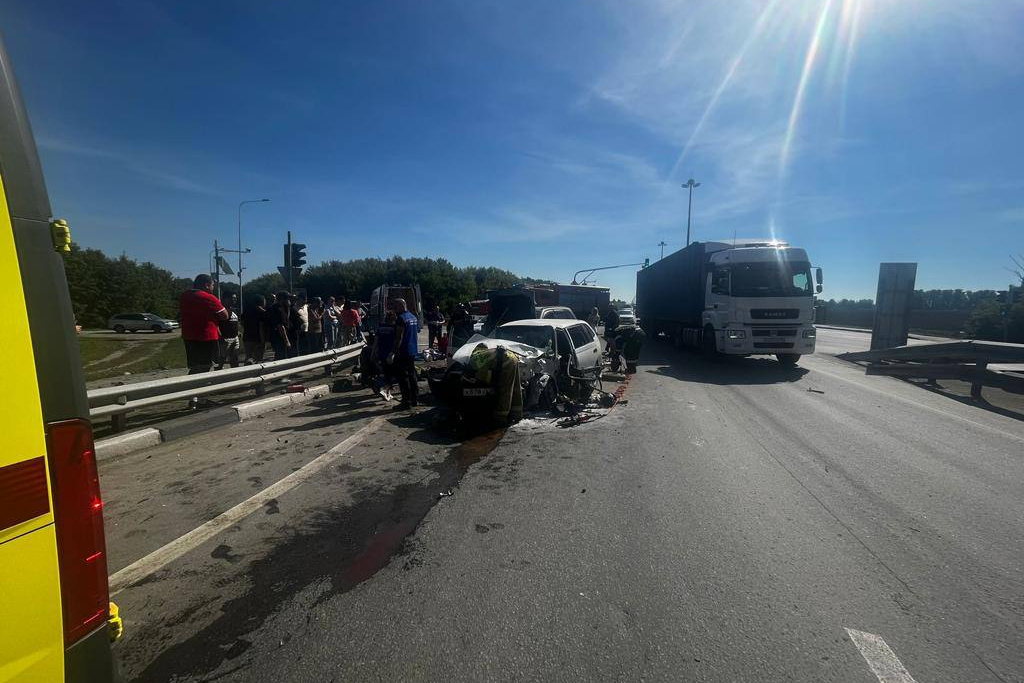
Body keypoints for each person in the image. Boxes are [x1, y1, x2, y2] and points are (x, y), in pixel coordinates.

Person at [179, 274, 228, 374]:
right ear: (206, 285)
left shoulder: (184, 296)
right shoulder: (208, 298)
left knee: (195, 364)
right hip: (206, 336)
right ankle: (199, 386)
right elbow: (225, 315)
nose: (213, 288)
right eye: (212, 285)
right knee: (206, 364)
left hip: (188, 335)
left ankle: (191, 383)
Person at [388, 298, 419, 409]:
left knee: (403, 378)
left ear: (401, 305)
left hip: (403, 351)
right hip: (413, 350)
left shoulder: (401, 319)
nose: (394, 309)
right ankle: (415, 399)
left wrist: (392, 352)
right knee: (412, 375)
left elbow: (398, 338)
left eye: (395, 307)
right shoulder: (413, 317)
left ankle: (406, 402)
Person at [371, 310, 398, 401]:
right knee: (391, 374)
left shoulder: (380, 328)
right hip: (390, 354)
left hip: (381, 353)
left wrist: (373, 352)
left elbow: (376, 341)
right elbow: (397, 341)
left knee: (384, 372)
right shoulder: (394, 328)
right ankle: (384, 389)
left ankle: (388, 393)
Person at [265, 291, 293, 360]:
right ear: (282, 299)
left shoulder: (283, 308)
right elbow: (280, 326)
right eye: (287, 298)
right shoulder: (275, 309)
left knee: (283, 355)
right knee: (280, 356)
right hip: (277, 336)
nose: (289, 300)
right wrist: (287, 341)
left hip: (280, 335)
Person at [216, 293, 241, 369]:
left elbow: (236, 322)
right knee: (222, 358)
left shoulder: (234, 309)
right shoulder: (221, 310)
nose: (235, 300)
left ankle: (235, 372)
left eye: (235, 298)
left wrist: (238, 331)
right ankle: (217, 371)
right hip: (225, 338)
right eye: (233, 298)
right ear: (226, 299)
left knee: (235, 356)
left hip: (235, 337)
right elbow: (216, 324)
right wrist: (220, 336)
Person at [242, 294, 268, 363]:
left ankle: (247, 370)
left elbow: (242, 323)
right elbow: (261, 327)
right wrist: (262, 340)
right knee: (258, 358)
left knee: (249, 356)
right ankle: (257, 372)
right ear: (262, 301)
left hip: (247, 337)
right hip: (258, 338)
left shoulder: (246, 311)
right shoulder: (262, 312)